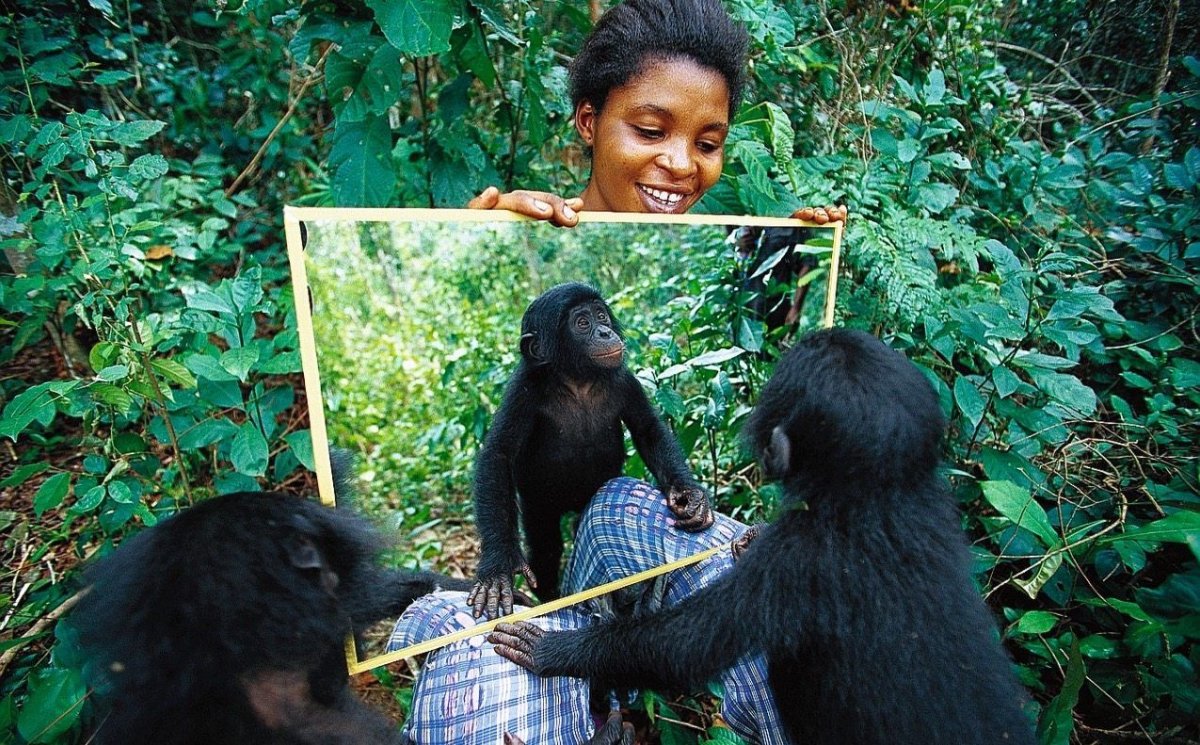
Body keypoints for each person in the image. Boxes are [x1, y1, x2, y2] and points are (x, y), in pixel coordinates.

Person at [394, 0, 832, 741]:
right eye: (651, 130)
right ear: (589, 121)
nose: (682, 163)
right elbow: (495, 463)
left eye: (710, 141)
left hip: (613, 503)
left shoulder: (622, 380)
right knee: (544, 576)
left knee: (723, 578)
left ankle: (622, 671)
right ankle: (588, 696)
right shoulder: (532, 384)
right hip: (543, 505)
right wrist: (499, 561)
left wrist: (808, 260)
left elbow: (656, 438)